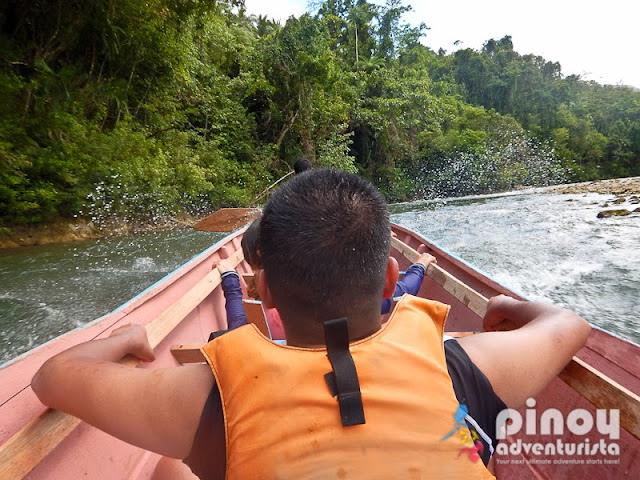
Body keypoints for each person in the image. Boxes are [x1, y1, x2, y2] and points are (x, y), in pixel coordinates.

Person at [32, 169, 591, 479]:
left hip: (209, 409)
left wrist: (127, 339)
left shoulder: (207, 399)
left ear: (265, 291)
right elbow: (569, 324)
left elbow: (52, 377)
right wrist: (504, 310)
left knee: (165, 472)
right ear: (391, 274)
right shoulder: (467, 368)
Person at [216, 215, 435, 340]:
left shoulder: (255, 316)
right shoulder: (346, 298)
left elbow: (236, 320)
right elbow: (401, 292)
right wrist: (420, 265)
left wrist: (229, 278)